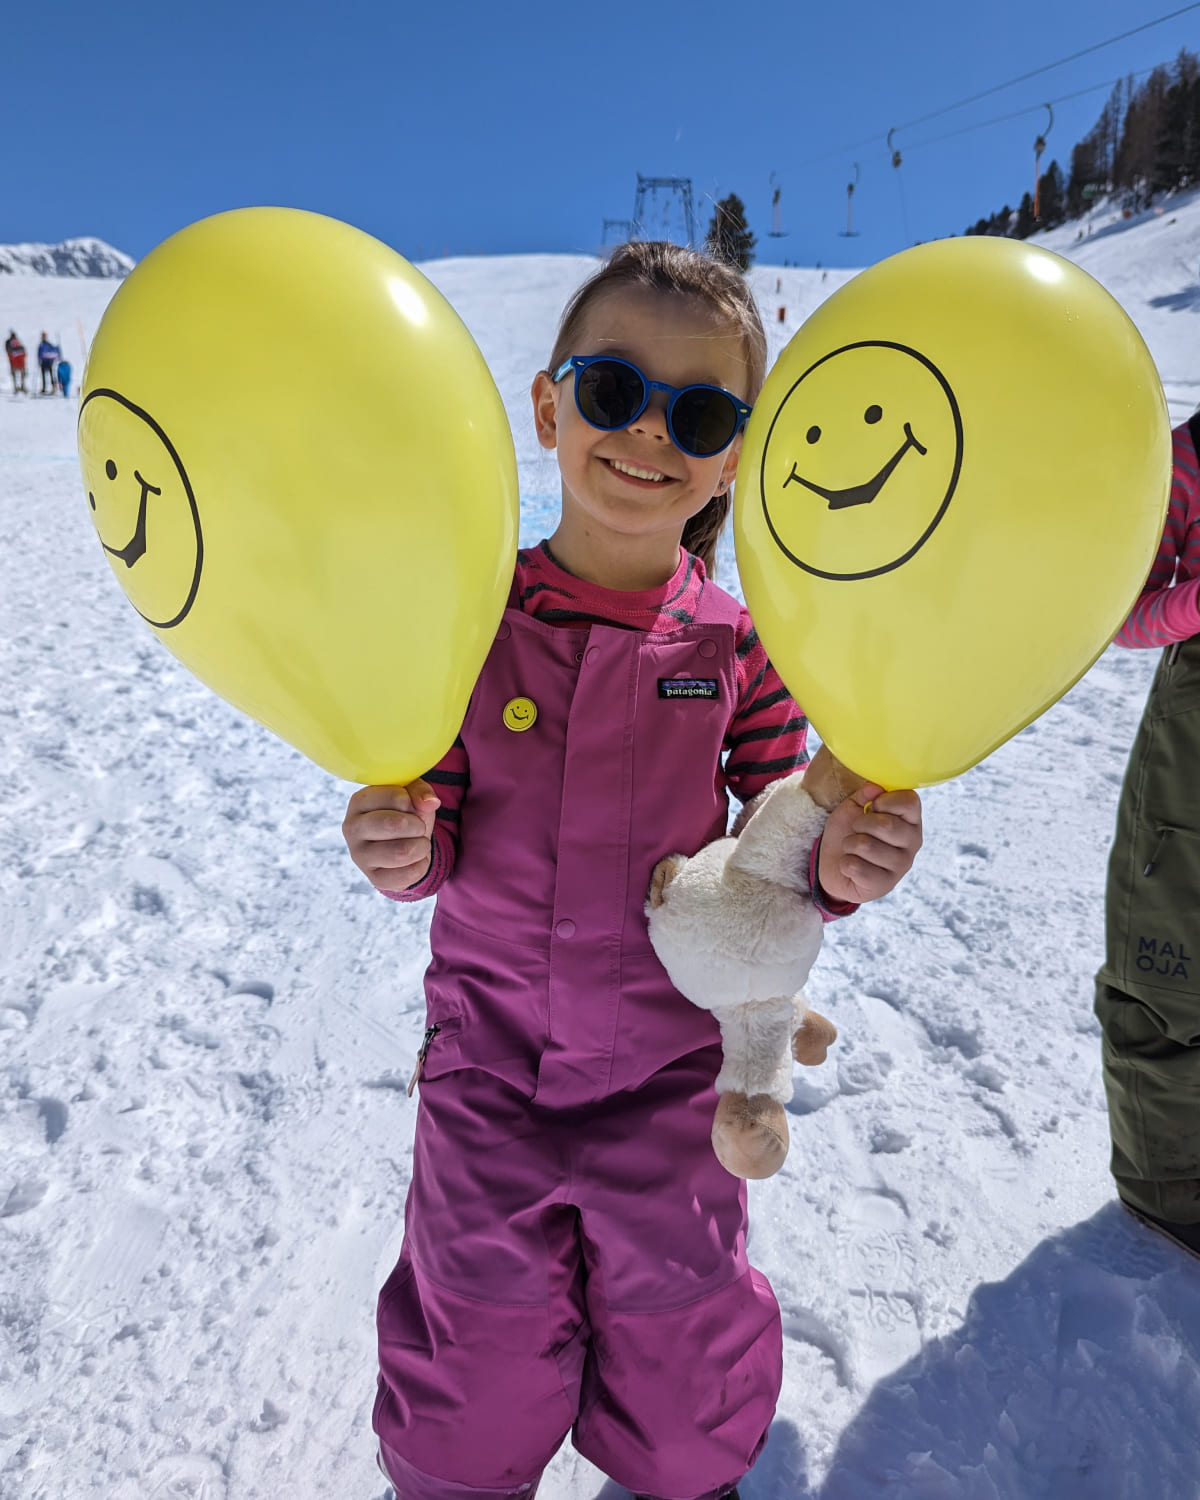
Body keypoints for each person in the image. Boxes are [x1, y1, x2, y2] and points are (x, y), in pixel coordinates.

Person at [342, 241, 924, 1500]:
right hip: (489, 1068)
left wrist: (839, 862)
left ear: (735, 457)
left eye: (700, 415)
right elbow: (432, 810)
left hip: (673, 1071)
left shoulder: (740, 649)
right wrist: (403, 845)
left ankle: (687, 1478)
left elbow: (777, 841)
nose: (652, 432)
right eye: (614, 390)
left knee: (683, 1340)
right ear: (550, 407)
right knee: (472, 1345)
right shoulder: (469, 624)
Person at [1095, 413, 1200, 1261]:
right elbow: (1125, 613)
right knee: (1168, 968)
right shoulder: (1186, 461)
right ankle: (1166, 1191)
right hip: (1192, 744)